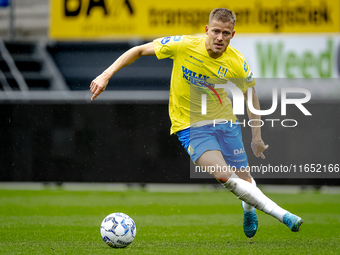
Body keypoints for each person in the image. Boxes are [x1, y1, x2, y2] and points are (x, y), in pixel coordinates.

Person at [90, 8, 303, 238]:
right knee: (224, 177)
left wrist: (257, 136)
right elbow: (139, 49)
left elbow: (251, 97)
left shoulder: (237, 62)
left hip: (225, 122)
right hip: (190, 126)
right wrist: (106, 74)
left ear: (233, 34)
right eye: (216, 31)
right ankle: (284, 215)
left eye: (226, 33)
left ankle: (248, 208)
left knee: (244, 178)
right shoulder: (184, 45)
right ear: (207, 30)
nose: (220, 37)